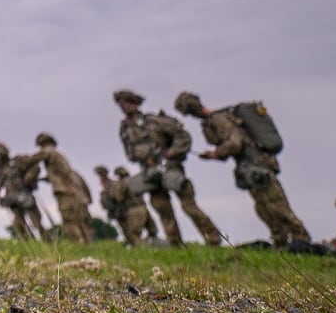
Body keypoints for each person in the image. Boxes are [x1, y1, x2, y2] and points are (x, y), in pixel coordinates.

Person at [173, 91, 308, 247]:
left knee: (276, 204)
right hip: (250, 167)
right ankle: (281, 241)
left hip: (257, 165)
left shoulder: (218, 119)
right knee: (263, 207)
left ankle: (302, 239)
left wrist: (216, 153)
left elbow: (235, 144)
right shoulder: (217, 118)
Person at [114, 89, 222, 246]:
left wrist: (171, 153)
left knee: (189, 207)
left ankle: (213, 239)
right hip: (150, 174)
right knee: (162, 209)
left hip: (171, 169)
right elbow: (130, 154)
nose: (124, 106)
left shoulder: (153, 121)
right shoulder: (124, 129)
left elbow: (183, 136)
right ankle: (175, 245)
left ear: (135, 103)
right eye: (121, 103)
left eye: (126, 102)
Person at [32, 133, 95, 243]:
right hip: (77, 194)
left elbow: (34, 159)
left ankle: (78, 244)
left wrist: (22, 161)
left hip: (66, 193)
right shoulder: (62, 159)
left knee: (69, 220)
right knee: (81, 222)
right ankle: (87, 244)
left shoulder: (49, 152)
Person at [0, 142, 48, 240]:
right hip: (11, 196)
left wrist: (29, 180)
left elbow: (35, 166)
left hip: (24, 193)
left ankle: (45, 239)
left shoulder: (19, 160)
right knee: (19, 219)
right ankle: (25, 239)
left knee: (35, 218)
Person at [97, 165, 157, 246]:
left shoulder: (121, 184)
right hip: (143, 208)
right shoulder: (134, 182)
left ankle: (144, 250)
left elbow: (119, 197)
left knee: (133, 234)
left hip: (133, 210)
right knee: (151, 232)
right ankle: (155, 248)